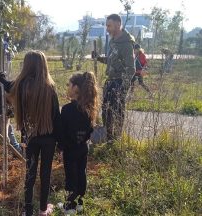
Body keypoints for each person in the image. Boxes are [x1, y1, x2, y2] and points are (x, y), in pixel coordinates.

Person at [1, 50, 61, 216]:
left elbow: (9, 85)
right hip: (49, 138)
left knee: (30, 173)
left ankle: (27, 211)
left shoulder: (21, 86)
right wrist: (60, 142)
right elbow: (56, 116)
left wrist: (2, 78)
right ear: (44, 65)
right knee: (46, 173)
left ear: (26, 66)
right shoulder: (50, 87)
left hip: (30, 138)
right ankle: (43, 210)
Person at [59, 72, 98, 214]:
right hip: (83, 147)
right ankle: (80, 202)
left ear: (75, 88)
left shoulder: (67, 109)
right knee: (82, 173)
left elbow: (62, 132)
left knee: (70, 176)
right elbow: (90, 130)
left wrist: (61, 148)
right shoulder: (89, 109)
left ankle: (69, 206)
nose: (67, 88)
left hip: (70, 149)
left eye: (69, 85)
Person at [94, 14, 135, 143]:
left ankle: (116, 140)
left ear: (118, 24)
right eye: (106, 25)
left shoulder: (127, 44)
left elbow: (131, 69)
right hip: (110, 81)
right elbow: (112, 61)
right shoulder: (113, 41)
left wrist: (123, 87)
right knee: (106, 111)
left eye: (109, 25)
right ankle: (108, 136)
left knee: (117, 112)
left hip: (119, 82)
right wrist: (99, 58)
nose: (107, 28)